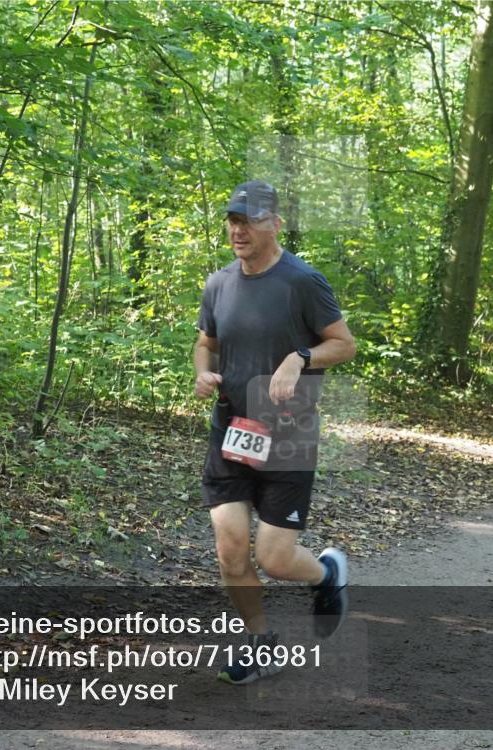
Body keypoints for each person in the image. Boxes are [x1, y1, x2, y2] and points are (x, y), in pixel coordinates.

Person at [194, 180, 357, 684]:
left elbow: (344, 345)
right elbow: (206, 343)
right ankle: (258, 643)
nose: (238, 230)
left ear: (275, 225)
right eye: (233, 220)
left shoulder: (302, 281)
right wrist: (203, 371)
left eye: (249, 220)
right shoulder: (219, 283)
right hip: (232, 431)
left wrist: (299, 357)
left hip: (288, 437)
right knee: (230, 551)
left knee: (275, 559)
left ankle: (328, 574)